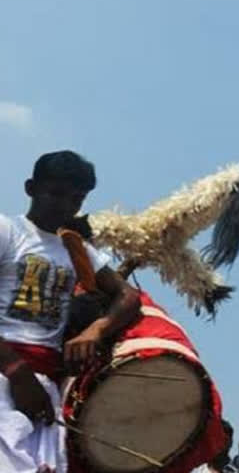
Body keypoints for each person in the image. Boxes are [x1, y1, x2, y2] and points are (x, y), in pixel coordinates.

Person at [0, 150, 141, 472]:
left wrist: (97, 330)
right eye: (56, 194)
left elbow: (128, 295)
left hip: (45, 383)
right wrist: (16, 372)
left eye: (76, 199)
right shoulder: (7, 231)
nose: (65, 206)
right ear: (30, 188)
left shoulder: (77, 249)